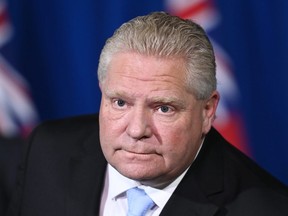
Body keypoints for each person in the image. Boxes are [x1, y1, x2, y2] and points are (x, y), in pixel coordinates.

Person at [7, 11, 288, 216]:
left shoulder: (265, 208)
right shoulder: (46, 152)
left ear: (207, 111)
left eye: (163, 108)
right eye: (120, 103)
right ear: (102, 92)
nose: (137, 129)